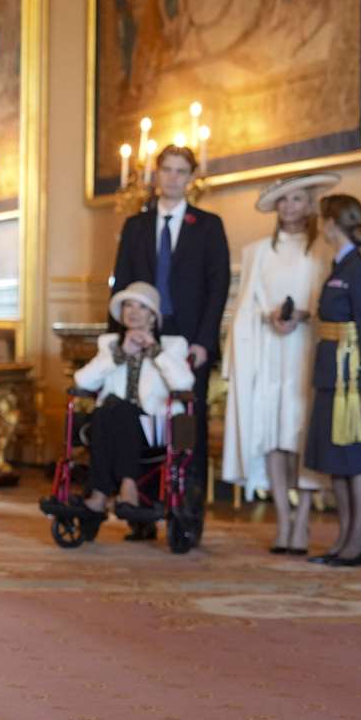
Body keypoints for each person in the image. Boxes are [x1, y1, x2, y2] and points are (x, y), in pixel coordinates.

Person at [109, 145, 230, 535]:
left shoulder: (208, 226)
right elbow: (122, 280)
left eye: (181, 171)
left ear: (191, 177)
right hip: (142, 334)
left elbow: (218, 288)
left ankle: (186, 517)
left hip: (188, 339)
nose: (173, 178)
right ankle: (141, 514)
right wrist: (120, 339)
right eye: (167, 170)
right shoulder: (136, 226)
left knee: (185, 430)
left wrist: (203, 342)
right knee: (142, 415)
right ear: (156, 174)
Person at [221, 173, 338, 553]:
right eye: (284, 200)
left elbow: (331, 303)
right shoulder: (257, 251)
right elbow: (247, 303)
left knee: (300, 434)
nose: (291, 207)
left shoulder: (323, 249)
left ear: (310, 205)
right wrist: (268, 314)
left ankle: (303, 521)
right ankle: (283, 522)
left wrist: (305, 315)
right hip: (270, 353)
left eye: (299, 199)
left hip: (306, 351)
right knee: (272, 434)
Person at [304, 194, 361, 568]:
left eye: (323, 220)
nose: (320, 226)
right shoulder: (340, 266)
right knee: (337, 461)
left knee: (359, 460)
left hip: (354, 380)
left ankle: (358, 543)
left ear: (331, 223)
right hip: (332, 376)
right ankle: (342, 540)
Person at [73, 282, 196, 521]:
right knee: (108, 411)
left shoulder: (173, 345)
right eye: (128, 305)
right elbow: (82, 380)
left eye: (141, 306)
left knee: (117, 410)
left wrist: (154, 351)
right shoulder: (110, 344)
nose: (133, 311)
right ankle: (113, 490)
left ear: (153, 316)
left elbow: (184, 384)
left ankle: (109, 491)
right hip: (111, 424)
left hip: (154, 428)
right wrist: (120, 355)